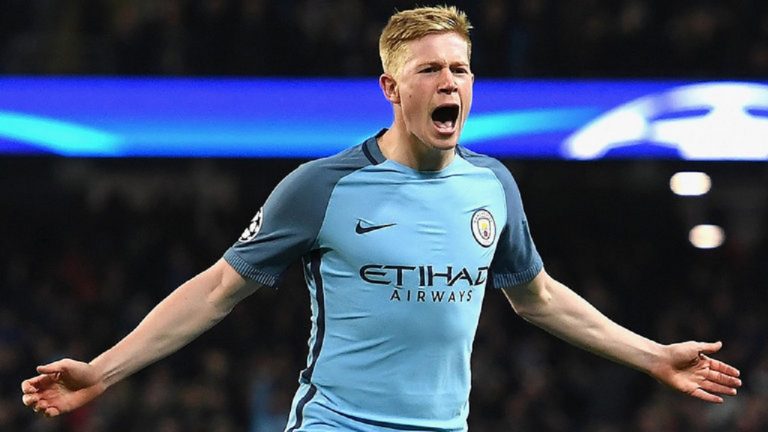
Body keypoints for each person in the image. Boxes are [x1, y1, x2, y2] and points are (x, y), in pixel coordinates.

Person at [21, 5, 742, 431]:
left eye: (460, 69)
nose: (449, 82)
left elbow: (539, 298)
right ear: (392, 88)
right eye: (430, 70)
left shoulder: (494, 185)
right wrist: (103, 372)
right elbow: (215, 291)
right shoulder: (322, 185)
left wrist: (654, 356)